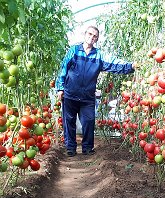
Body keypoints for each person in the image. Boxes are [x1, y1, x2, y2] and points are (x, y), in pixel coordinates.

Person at [56, 25, 137, 156]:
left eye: (95, 36)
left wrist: (131, 66)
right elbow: (63, 68)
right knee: (69, 121)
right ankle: (70, 148)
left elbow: (113, 64)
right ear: (85, 34)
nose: (91, 37)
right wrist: (60, 88)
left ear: (97, 39)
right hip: (70, 94)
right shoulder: (74, 51)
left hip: (87, 97)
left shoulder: (98, 55)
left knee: (88, 121)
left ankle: (87, 148)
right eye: (90, 34)